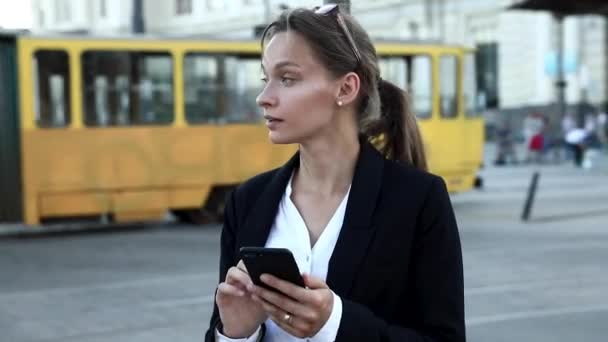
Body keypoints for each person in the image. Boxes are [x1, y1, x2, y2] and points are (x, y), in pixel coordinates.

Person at [205, 4, 465, 342]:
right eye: (265, 79)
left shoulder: (418, 200)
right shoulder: (248, 200)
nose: (263, 98)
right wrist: (236, 334)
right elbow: (221, 330)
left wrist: (334, 323)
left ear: (345, 89)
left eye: (287, 78)